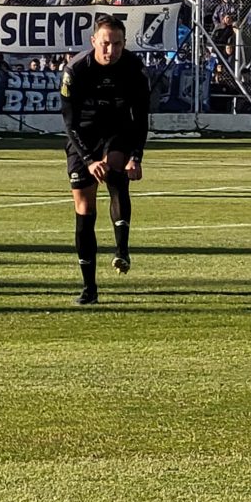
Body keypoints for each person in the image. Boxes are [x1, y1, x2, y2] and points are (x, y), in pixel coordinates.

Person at [61, 16, 151, 306]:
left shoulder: (135, 68)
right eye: (105, 43)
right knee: (84, 208)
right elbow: (69, 124)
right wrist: (87, 160)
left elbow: (141, 118)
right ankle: (89, 288)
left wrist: (136, 157)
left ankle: (121, 250)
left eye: (117, 44)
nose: (111, 50)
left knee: (115, 172)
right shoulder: (76, 70)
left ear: (125, 44)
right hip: (83, 137)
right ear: (93, 42)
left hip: (117, 131)